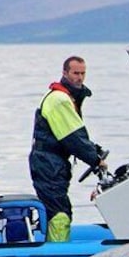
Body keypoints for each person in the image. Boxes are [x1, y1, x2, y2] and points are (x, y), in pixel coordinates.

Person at [29, 56, 106, 242]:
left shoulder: (67, 97)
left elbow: (75, 136)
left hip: (53, 162)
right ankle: (55, 253)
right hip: (48, 164)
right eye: (75, 73)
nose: (79, 78)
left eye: (83, 73)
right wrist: (96, 160)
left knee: (59, 207)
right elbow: (73, 138)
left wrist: (95, 150)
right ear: (65, 73)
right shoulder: (59, 100)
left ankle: (53, 243)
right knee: (60, 212)